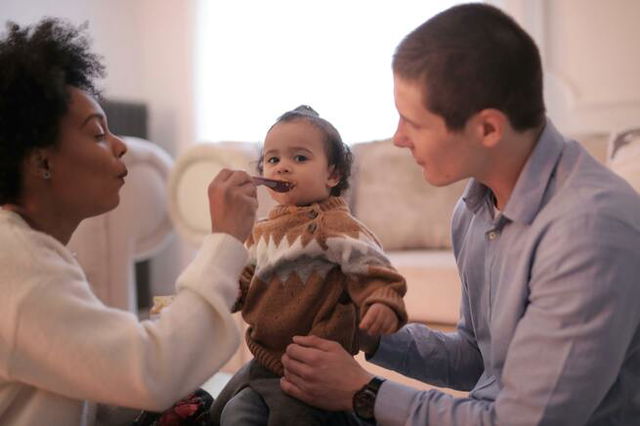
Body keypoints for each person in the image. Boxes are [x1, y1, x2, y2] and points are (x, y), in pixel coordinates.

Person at [280, 4, 640, 425]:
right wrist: (369, 336)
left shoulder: (590, 231)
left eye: (413, 122)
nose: (398, 139)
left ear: (488, 129)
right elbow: (478, 360)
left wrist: (364, 393)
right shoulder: (474, 210)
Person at [0, 18, 258, 426]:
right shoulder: (16, 264)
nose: (120, 146)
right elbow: (153, 370)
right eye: (98, 133)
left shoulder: (28, 250)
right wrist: (225, 241)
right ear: (41, 160)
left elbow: (78, 380)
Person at [209, 105, 408, 426]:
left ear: (333, 174)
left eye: (299, 158)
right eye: (273, 160)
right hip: (262, 362)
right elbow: (242, 283)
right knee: (234, 415)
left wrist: (383, 300)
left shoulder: (337, 226)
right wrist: (214, 295)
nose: (282, 168)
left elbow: (374, 269)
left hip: (314, 368)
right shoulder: (260, 232)